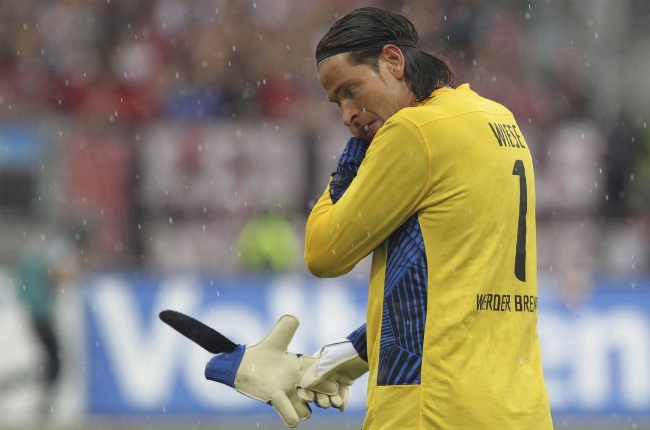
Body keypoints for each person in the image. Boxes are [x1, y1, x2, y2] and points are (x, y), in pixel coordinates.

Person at [299, 6, 553, 429]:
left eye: (350, 90)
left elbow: (322, 253)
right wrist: (361, 346)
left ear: (393, 61)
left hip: (432, 408)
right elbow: (463, 278)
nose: (347, 115)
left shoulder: (414, 131)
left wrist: (352, 158)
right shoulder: (497, 118)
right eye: (337, 103)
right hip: (519, 407)